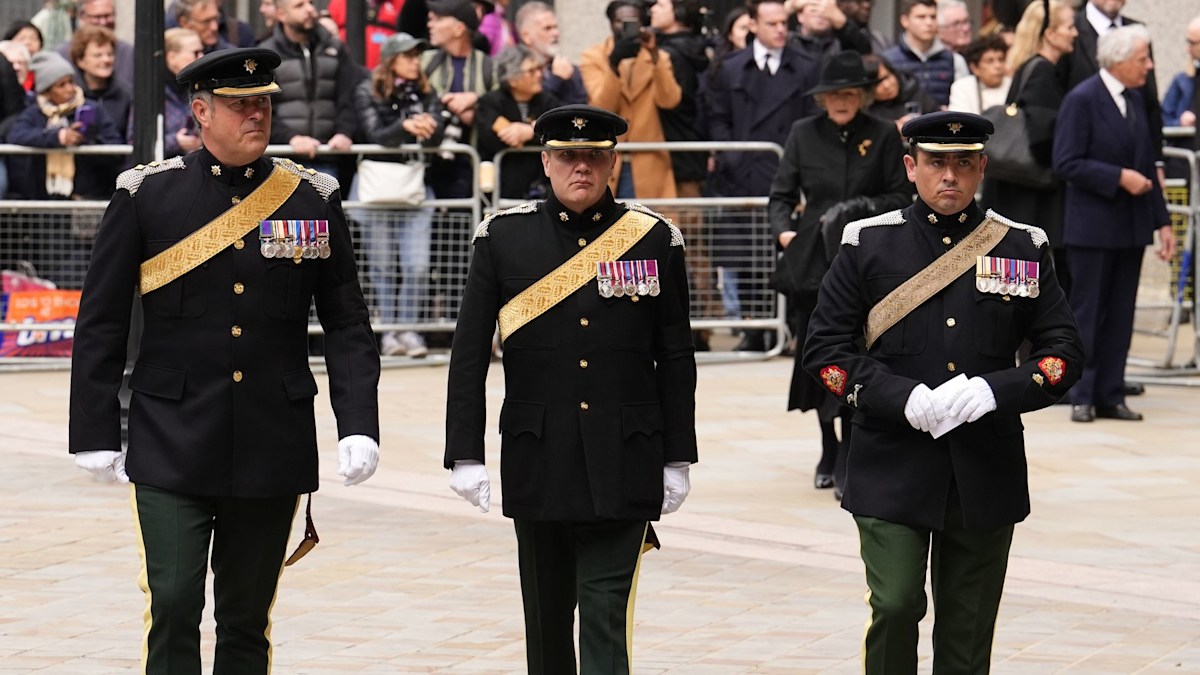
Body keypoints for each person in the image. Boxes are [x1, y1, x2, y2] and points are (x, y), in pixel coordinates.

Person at [67, 48, 381, 673]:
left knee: (246, 618)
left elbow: (346, 321)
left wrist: (359, 422)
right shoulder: (147, 195)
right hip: (171, 435)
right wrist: (93, 430)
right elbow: (100, 320)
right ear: (202, 112)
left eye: (264, 102)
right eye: (240, 105)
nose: (257, 115)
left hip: (272, 435)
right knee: (176, 603)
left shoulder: (310, 197)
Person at [803, 110, 1084, 674]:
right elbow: (825, 353)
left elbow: (1063, 354)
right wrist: (894, 395)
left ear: (983, 167)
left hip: (983, 465)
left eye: (963, 163)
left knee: (967, 628)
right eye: (935, 162)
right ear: (911, 167)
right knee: (896, 602)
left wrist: (999, 389)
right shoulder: (868, 245)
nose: (949, 176)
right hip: (891, 458)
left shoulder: (1022, 246)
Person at [445, 104, 697, 675]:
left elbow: (675, 356)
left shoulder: (653, 238)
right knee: (547, 617)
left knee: (607, 614)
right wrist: (464, 450)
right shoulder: (503, 237)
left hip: (626, 449)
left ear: (612, 163)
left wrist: (679, 454)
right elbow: (468, 353)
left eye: (593, 157)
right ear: (545, 162)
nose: (580, 168)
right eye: (567, 156)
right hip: (540, 452)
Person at [769, 50, 911, 498]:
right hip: (813, 260)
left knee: (861, 352)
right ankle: (827, 446)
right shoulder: (802, 133)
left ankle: (852, 446)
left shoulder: (884, 134)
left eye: (849, 93)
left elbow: (897, 194)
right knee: (819, 353)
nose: (841, 101)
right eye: (833, 94)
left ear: (864, 95)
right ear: (822, 99)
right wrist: (785, 234)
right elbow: (780, 195)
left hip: (868, 258)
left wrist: (862, 210)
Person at [1053, 25, 1174, 423]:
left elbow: (1147, 164)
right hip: (1093, 226)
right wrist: (1117, 177)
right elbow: (1066, 162)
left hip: (1130, 226)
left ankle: (1111, 392)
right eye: (1143, 59)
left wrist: (1164, 224)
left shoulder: (1136, 99)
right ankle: (1082, 393)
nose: (1149, 66)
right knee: (1089, 312)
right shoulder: (1082, 99)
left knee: (1122, 313)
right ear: (1119, 60)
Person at [707, 0, 820, 351]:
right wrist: (732, 158)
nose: (780, 29)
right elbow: (716, 117)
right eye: (771, 23)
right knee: (748, 255)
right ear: (753, 24)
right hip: (743, 174)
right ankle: (755, 330)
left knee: (789, 252)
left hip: (788, 169)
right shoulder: (729, 67)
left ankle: (789, 329)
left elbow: (811, 118)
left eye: (784, 22)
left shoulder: (805, 66)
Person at [353, 32, 442, 358]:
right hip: (379, 185)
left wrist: (429, 126)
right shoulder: (368, 89)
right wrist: (406, 126)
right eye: (407, 56)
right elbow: (373, 132)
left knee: (417, 264)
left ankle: (410, 329)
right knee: (382, 264)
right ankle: (390, 331)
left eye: (417, 56)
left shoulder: (427, 91)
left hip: (416, 184)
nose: (415, 63)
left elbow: (438, 135)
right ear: (391, 60)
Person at [980, 0, 1076, 296]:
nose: (1075, 33)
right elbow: (1043, 138)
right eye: (1070, 26)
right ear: (1049, 33)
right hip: (1028, 199)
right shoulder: (1043, 72)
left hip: (1013, 196)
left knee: (1007, 290)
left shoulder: (1028, 67)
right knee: (1019, 294)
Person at [580, 1, 681, 200]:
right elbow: (601, 108)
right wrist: (613, 64)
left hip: (649, 162)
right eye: (619, 21)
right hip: (609, 159)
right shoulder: (594, 57)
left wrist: (654, 56)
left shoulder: (658, 57)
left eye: (632, 21)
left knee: (649, 225)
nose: (624, 27)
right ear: (610, 24)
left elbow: (669, 100)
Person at [1059, 0, 1163, 177]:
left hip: (1137, 161)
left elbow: (1150, 99)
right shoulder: (1069, 30)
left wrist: (1157, 162)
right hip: (1089, 163)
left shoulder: (1138, 30)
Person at [259, 0, 361, 172]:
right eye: (299, 5)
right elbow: (261, 108)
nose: (310, 10)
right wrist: (291, 138)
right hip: (282, 158)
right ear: (281, 15)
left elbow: (349, 97)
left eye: (311, 3)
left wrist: (344, 132)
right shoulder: (266, 54)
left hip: (331, 155)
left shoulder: (335, 48)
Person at [476, 44, 560, 200]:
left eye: (539, 69)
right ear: (512, 79)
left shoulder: (548, 102)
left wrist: (530, 132)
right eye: (531, 71)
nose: (539, 75)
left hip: (543, 189)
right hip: (502, 192)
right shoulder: (490, 102)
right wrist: (533, 135)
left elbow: (560, 131)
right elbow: (491, 138)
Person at [882, 0, 968, 109]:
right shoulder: (888, 60)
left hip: (943, 123)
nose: (928, 22)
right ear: (905, 21)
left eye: (933, 17)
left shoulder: (954, 60)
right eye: (921, 17)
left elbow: (964, 100)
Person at [515, 1, 587, 105]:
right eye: (547, 28)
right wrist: (556, 80)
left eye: (556, 27)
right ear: (526, 36)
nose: (556, 33)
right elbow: (528, 107)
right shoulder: (514, 71)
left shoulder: (568, 68)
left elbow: (579, 109)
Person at [56, 0, 134, 92]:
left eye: (107, 16)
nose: (103, 22)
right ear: (82, 17)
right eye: (97, 17)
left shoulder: (129, 53)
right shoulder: (61, 55)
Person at [158, 27, 205, 158]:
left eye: (202, 51)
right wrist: (175, 142)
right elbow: (137, 140)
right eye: (196, 53)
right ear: (172, 57)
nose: (202, 57)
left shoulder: (202, 88)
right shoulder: (152, 92)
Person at [863, 52, 937, 128]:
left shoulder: (913, 91)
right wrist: (891, 132)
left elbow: (938, 122)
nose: (886, 85)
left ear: (894, 73)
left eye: (887, 77)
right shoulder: (865, 110)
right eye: (877, 84)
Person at [948, 34, 1011, 114]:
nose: (998, 66)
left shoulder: (1013, 85)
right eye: (990, 61)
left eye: (1001, 60)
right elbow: (959, 121)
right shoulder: (962, 87)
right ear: (974, 68)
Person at [1161, 14, 1199, 128]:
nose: (1188, 49)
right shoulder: (1181, 81)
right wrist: (1180, 123)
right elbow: (1163, 119)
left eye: (1193, 43)